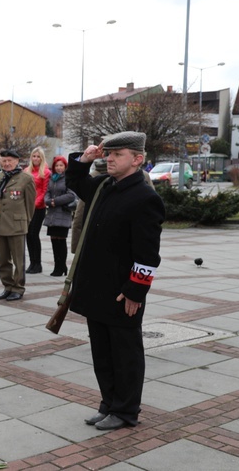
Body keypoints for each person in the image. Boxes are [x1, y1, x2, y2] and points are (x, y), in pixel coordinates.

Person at [66, 131, 165, 431]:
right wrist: (85, 159)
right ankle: (108, 403)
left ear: (137, 159)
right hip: (96, 288)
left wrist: (136, 291)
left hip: (123, 293)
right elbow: (75, 182)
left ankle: (126, 410)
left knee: (125, 354)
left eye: (116, 154)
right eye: (107, 153)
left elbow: (148, 253)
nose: (108, 158)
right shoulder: (105, 186)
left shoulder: (145, 197)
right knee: (102, 353)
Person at [0, 149, 36, 301]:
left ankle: (18, 287)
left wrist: (25, 222)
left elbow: (30, 205)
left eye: (10, 160)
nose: (7, 163)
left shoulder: (26, 179)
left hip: (16, 224)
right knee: (3, 259)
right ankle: (8, 286)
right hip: (0, 223)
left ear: (17, 161)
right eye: (3, 161)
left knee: (18, 260)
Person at [43, 156, 76, 276]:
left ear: (65, 166)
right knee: (53, 241)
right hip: (52, 214)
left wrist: (55, 201)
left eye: (61, 165)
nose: (58, 168)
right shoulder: (52, 178)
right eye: (57, 165)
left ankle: (62, 267)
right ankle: (57, 266)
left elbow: (71, 195)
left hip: (62, 212)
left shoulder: (68, 178)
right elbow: (47, 192)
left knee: (61, 241)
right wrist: (48, 201)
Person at [24, 147, 51, 274]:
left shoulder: (45, 172)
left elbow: (44, 191)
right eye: (34, 156)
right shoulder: (26, 171)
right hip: (26, 208)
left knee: (34, 234)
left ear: (42, 158)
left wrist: (34, 204)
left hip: (38, 208)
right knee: (28, 235)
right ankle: (32, 263)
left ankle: (38, 263)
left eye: (38, 156)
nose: (35, 158)